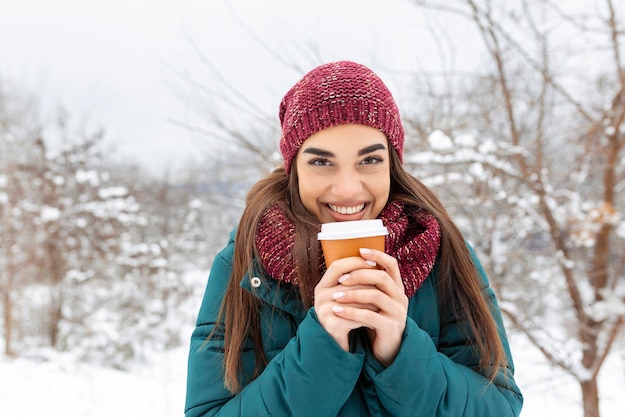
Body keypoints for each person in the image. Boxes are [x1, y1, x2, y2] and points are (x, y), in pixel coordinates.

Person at [185, 60, 523, 417]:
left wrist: (399, 350)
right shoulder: (245, 261)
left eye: (369, 160)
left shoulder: (442, 252)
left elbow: (499, 406)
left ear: (391, 164)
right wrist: (321, 348)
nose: (347, 189)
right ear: (294, 169)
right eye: (320, 162)